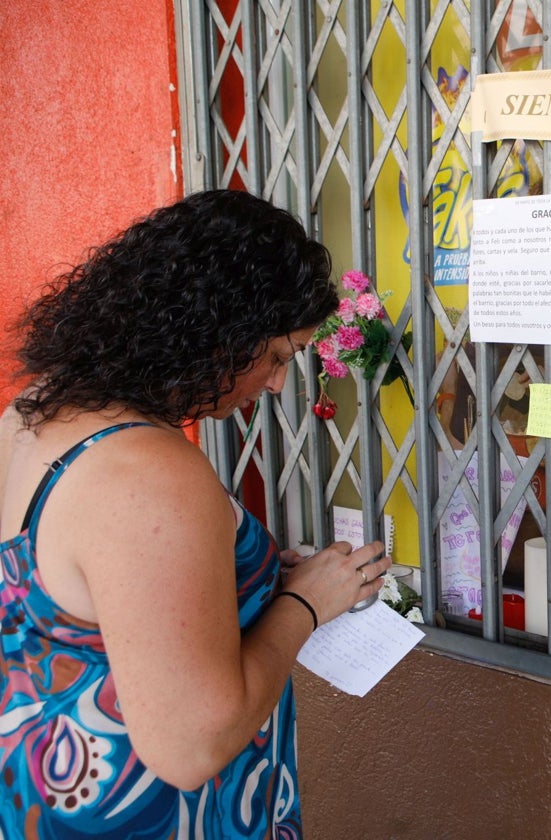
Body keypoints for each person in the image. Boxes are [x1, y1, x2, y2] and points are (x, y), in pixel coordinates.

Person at [0, 189, 389, 837]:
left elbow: (92, 600)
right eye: (275, 357)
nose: (272, 386)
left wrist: (248, 578)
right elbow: (191, 748)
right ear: (213, 335)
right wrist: (306, 605)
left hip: (38, 793)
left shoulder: (37, 410)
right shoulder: (150, 474)